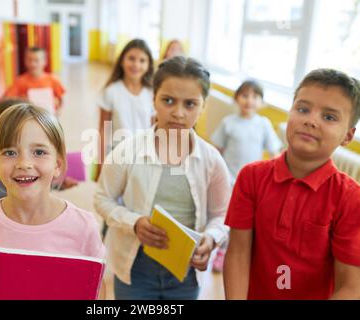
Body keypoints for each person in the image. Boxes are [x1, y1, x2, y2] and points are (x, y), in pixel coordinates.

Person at [94, 56, 232, 300]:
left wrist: (211, 239)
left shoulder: (212, 161)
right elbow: (102, 198)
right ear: (154, 99)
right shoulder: (127, 151)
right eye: (168, 101)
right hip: (135, 271)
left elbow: (222, 215)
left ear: (202, 107)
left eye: (190, 104)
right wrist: (133, 222)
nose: (178, 113)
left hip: (187, 275)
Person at [224, 69, 360, 300]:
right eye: (303, 109)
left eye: (329, 117)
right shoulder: (251, 177)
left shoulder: (351, 199)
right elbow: (238, 255)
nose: (310, 120)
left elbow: (350, 287)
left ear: (347, 136)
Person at [0, 103, 105, 299]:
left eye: (39, 152)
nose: (24, 164)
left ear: (58, 164)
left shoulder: (84, 228)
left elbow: (96, 294)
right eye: (10, 153)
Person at [210, 80, 282, 272]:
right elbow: (217, 150)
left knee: (245, 219)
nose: (249, 100)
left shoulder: (264, 124)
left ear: (261, 102)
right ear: (236, 99)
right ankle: (221, 250)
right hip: (229, 179)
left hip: (252, 183)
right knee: (227, 216)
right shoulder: (228, 122)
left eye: (254, 96)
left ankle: (240, 252)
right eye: (244, 95)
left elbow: (274, 151)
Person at [97, 39, 155, 173]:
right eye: (131, 58)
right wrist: (101, 161)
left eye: (142, 60)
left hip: (143, 156)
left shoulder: (152, 93)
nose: (136, 64)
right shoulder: (111, 91)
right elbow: (103, 129)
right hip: (117, 155)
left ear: (148, 65)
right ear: (122, 60)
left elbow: (154, 129)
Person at [4, 47, 65, 113]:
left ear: (44, 61)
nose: (33, 64)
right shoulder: (20, 81)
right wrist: (21, 100)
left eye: (36, 60)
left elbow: (61, 100)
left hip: (48, 116)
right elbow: (6, 100)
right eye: (29, 60)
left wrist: (57, 108)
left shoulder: (53, 80)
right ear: (25, 61)